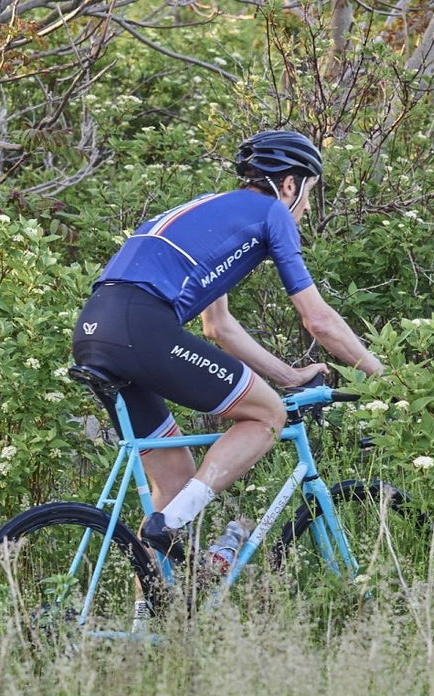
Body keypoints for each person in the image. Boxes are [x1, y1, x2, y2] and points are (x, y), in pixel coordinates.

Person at [72, 130, 383, 567]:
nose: (309, 208)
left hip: (93, 329)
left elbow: (218, 326)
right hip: (140, 326)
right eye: (310, 192)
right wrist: (384, 378)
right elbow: (318, 320)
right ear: (289, 184)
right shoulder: (272, 212)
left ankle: (150, 605)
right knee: (268, 415)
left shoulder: (211, 209)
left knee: (174, 484)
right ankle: (172, 524)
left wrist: (290, 376)